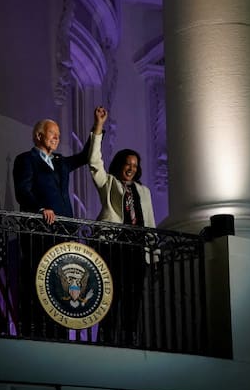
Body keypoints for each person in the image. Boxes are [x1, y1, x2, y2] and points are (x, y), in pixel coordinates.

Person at [12, 110, 101, 337]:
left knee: (60, 282)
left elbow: (84, 156)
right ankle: (35, 330)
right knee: (38, 279)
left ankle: (59, 332)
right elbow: (22, 190)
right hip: (39, 231)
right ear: (39, 136)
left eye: (59, 135)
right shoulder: (25, 159)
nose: (57, 138)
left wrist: (97, 126)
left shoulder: (60, 162)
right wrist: (40, 209)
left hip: (64, 231)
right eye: (53, 134)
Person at [88, 105, 155, 345]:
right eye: (128, 164)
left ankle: (128, 340)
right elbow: (95, 162)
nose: (131, 168)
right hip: (113, 247)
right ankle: (105, 340)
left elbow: (150, 222)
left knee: (133, 297)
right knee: (111, 295)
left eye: (135, 166)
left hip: (137, 250)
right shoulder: (109, 183)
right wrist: (99, 127)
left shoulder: (143, 191)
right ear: (120, 164)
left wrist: (153, 257)